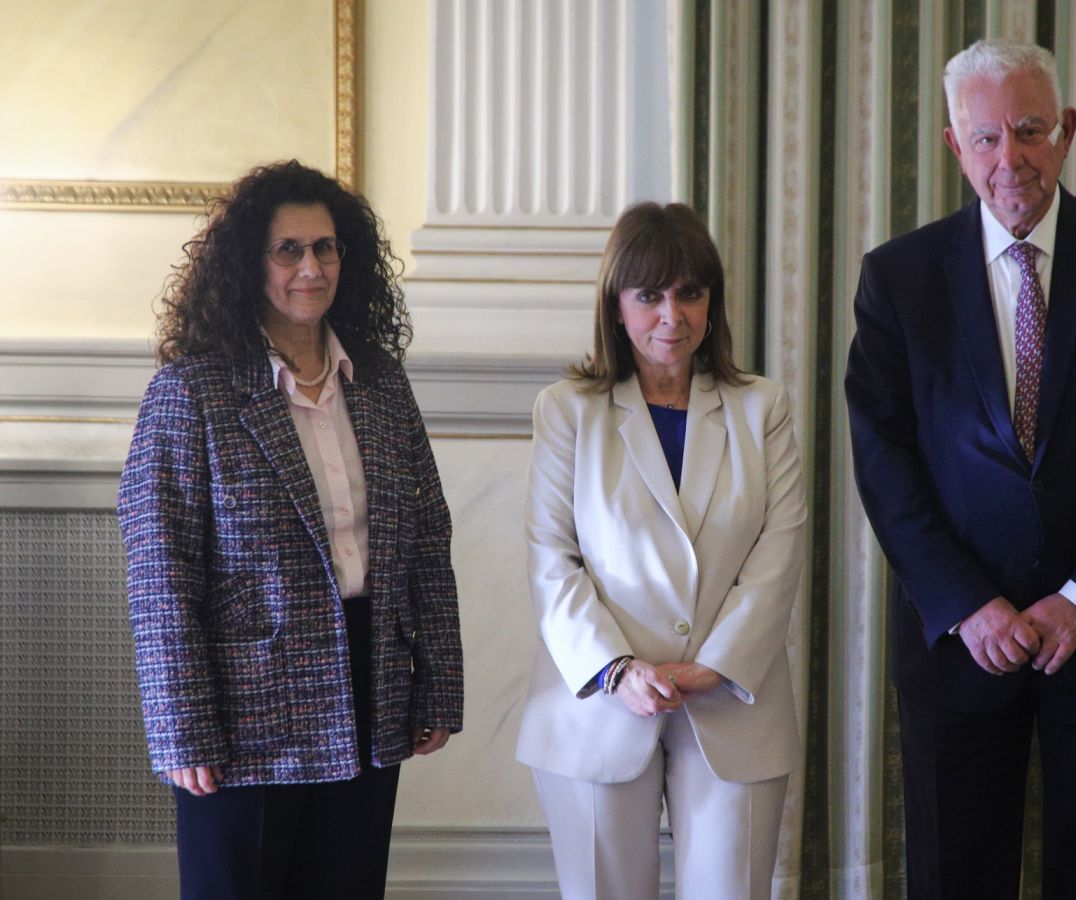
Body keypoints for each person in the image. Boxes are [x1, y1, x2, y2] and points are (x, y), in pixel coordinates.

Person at [844, 39, 1076, 899]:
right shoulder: (898, 277)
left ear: (1067, 130)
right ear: (955, 146)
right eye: (986, 138)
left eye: (1030, 130)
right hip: (958, 643)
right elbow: (884, 460)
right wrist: (969, 606)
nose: (1009, 158)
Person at [118, 160, 464, 899]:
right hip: (244, 711)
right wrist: (181, 725)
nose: (312, 267)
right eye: (289, 250)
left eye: (326, 247)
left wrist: (437, 684)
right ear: (250, 264)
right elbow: (160, 571)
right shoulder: (192, 391)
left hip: (370, 688)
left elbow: (427, 540)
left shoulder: (380, 383)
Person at [516, 201, 806, 900]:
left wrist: (715, 664)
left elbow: (780, 551)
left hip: (734, 701)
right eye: (649, 295)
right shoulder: (568, 410)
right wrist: (616, 670)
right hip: (597, 706)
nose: (672, 315)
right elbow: (552, 558)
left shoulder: (762, 407)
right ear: (616, 306)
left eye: (689, 293)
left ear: (712, 301)